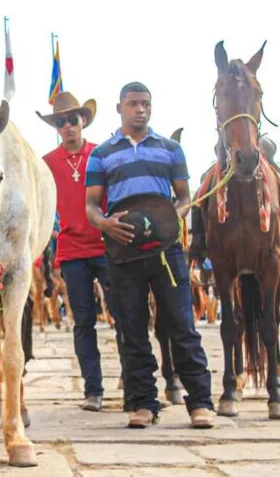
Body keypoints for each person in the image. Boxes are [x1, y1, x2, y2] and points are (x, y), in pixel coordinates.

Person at [85, 82, 215, 429]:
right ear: (120, 109)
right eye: (132, 104)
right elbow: (91, 205)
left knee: (181, 324)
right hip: (123, 253)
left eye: (145, 104)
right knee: (132, 329)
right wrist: (105, 224)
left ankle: (200, 402)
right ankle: (143, 403)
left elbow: (184, 197)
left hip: (165, 251)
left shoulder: (170, 150)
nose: (139, 109)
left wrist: (173, 219)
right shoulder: (102, 154)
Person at [38, 92, 123, 412]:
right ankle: (93, 388)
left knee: (123, 315)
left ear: (83, 121)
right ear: (56, 127)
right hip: (72, 251)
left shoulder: (101, 155)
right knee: (83, 322)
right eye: (61, 122)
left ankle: (133, 377)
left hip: (106, 247)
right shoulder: (46, 164)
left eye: (73, 119)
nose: (68, 126)